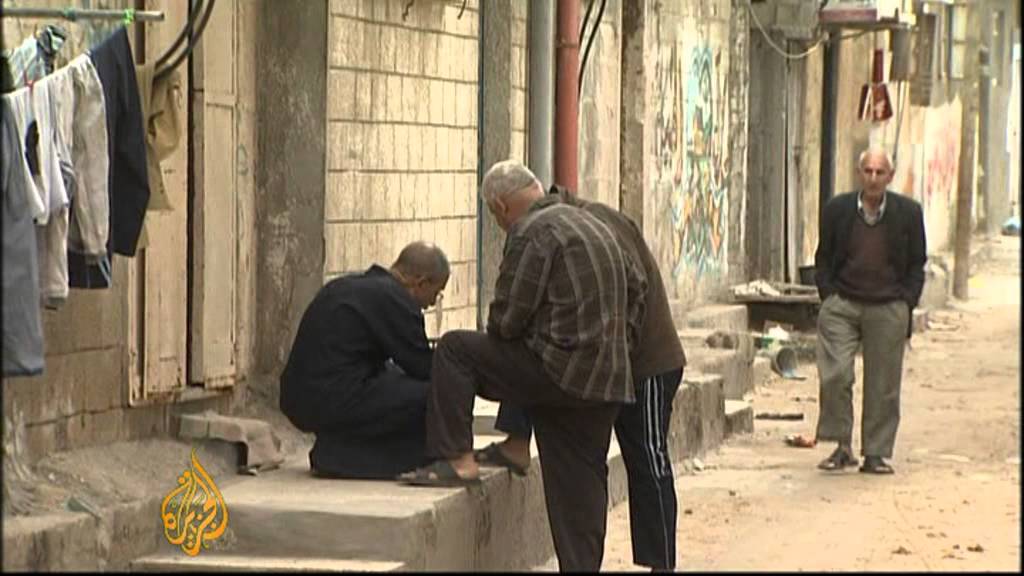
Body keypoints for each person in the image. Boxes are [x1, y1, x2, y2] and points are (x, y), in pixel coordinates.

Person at [399, 160, 646, 572]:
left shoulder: (532, 232)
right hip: (606, 381)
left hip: (557, 374)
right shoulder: (595, 225)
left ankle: (457, 459)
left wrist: (525, 336)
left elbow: (508, 319)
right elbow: (638, 288)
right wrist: (616, 348)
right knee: (581, 482)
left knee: (456, 350)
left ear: (499, 206)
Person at [477, 185, 687, 572]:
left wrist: (613, 349)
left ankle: (661, 564)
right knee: (533, 354)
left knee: (647, 456)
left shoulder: (592, 224)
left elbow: (635, 288)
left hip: (646, 361)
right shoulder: (552, 230)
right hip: (604, 363)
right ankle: (517, 439)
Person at [279, 241, 449, 479]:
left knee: (395, 378)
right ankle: (357, 458)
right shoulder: (396, 299)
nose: (432, 303)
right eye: (437, 293)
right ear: (421, 282)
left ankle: (336, 450)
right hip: (330, 398)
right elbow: (422, 367)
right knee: (437, 392)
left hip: (301, 397)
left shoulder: (350, 286)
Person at [813, 148, 926, 475]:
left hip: (889, 304)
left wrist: (907, 301)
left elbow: (917, 261)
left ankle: (876, 452)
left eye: (880, 172)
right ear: (858, 173)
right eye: (868, 171)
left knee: (883, 384)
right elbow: (824, 256)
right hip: (843, 303)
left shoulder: (908, 213)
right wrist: (828, 295)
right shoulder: (837, 210)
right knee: (835, 375)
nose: (873, 178)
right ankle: (840, 445)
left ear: (890, 177)